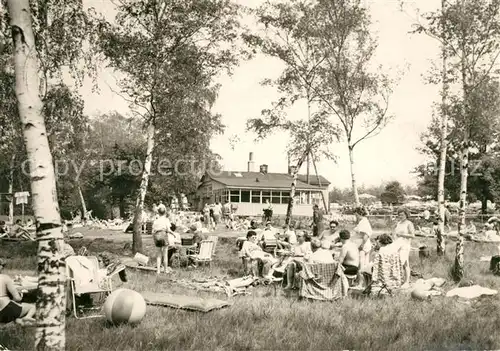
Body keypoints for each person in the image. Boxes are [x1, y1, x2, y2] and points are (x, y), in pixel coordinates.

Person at [0, 259, 35, 325]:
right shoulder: (5, 278)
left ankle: (17, 320)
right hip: (6, 309)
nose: (3, 268)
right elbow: (17, 298)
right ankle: (27, 317)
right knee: (32, 307)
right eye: (2, 265)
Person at [393, 208, 415, 289]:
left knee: (401, 262)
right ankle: (404, 280)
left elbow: (413, 235)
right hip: (397, 244)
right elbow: (395, 233)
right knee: (405, 264)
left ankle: (404, 281)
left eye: (402, 215)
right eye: (399, 215)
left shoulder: (409, 223)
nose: (400, 216)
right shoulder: (398, 223)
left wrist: (402, 235)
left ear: (406, 215)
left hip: (405, 245)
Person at [152, 206, 174, 274]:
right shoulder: (166, 220)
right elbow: (168, 229)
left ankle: (158, 270)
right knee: (165, 254)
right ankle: (165, 270)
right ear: (165, 212)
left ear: (158, 212)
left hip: (157, 236)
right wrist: (173, 234)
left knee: (158, 254)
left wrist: (154, 238)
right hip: (164, 235)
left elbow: (153, 231)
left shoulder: (156, 221)